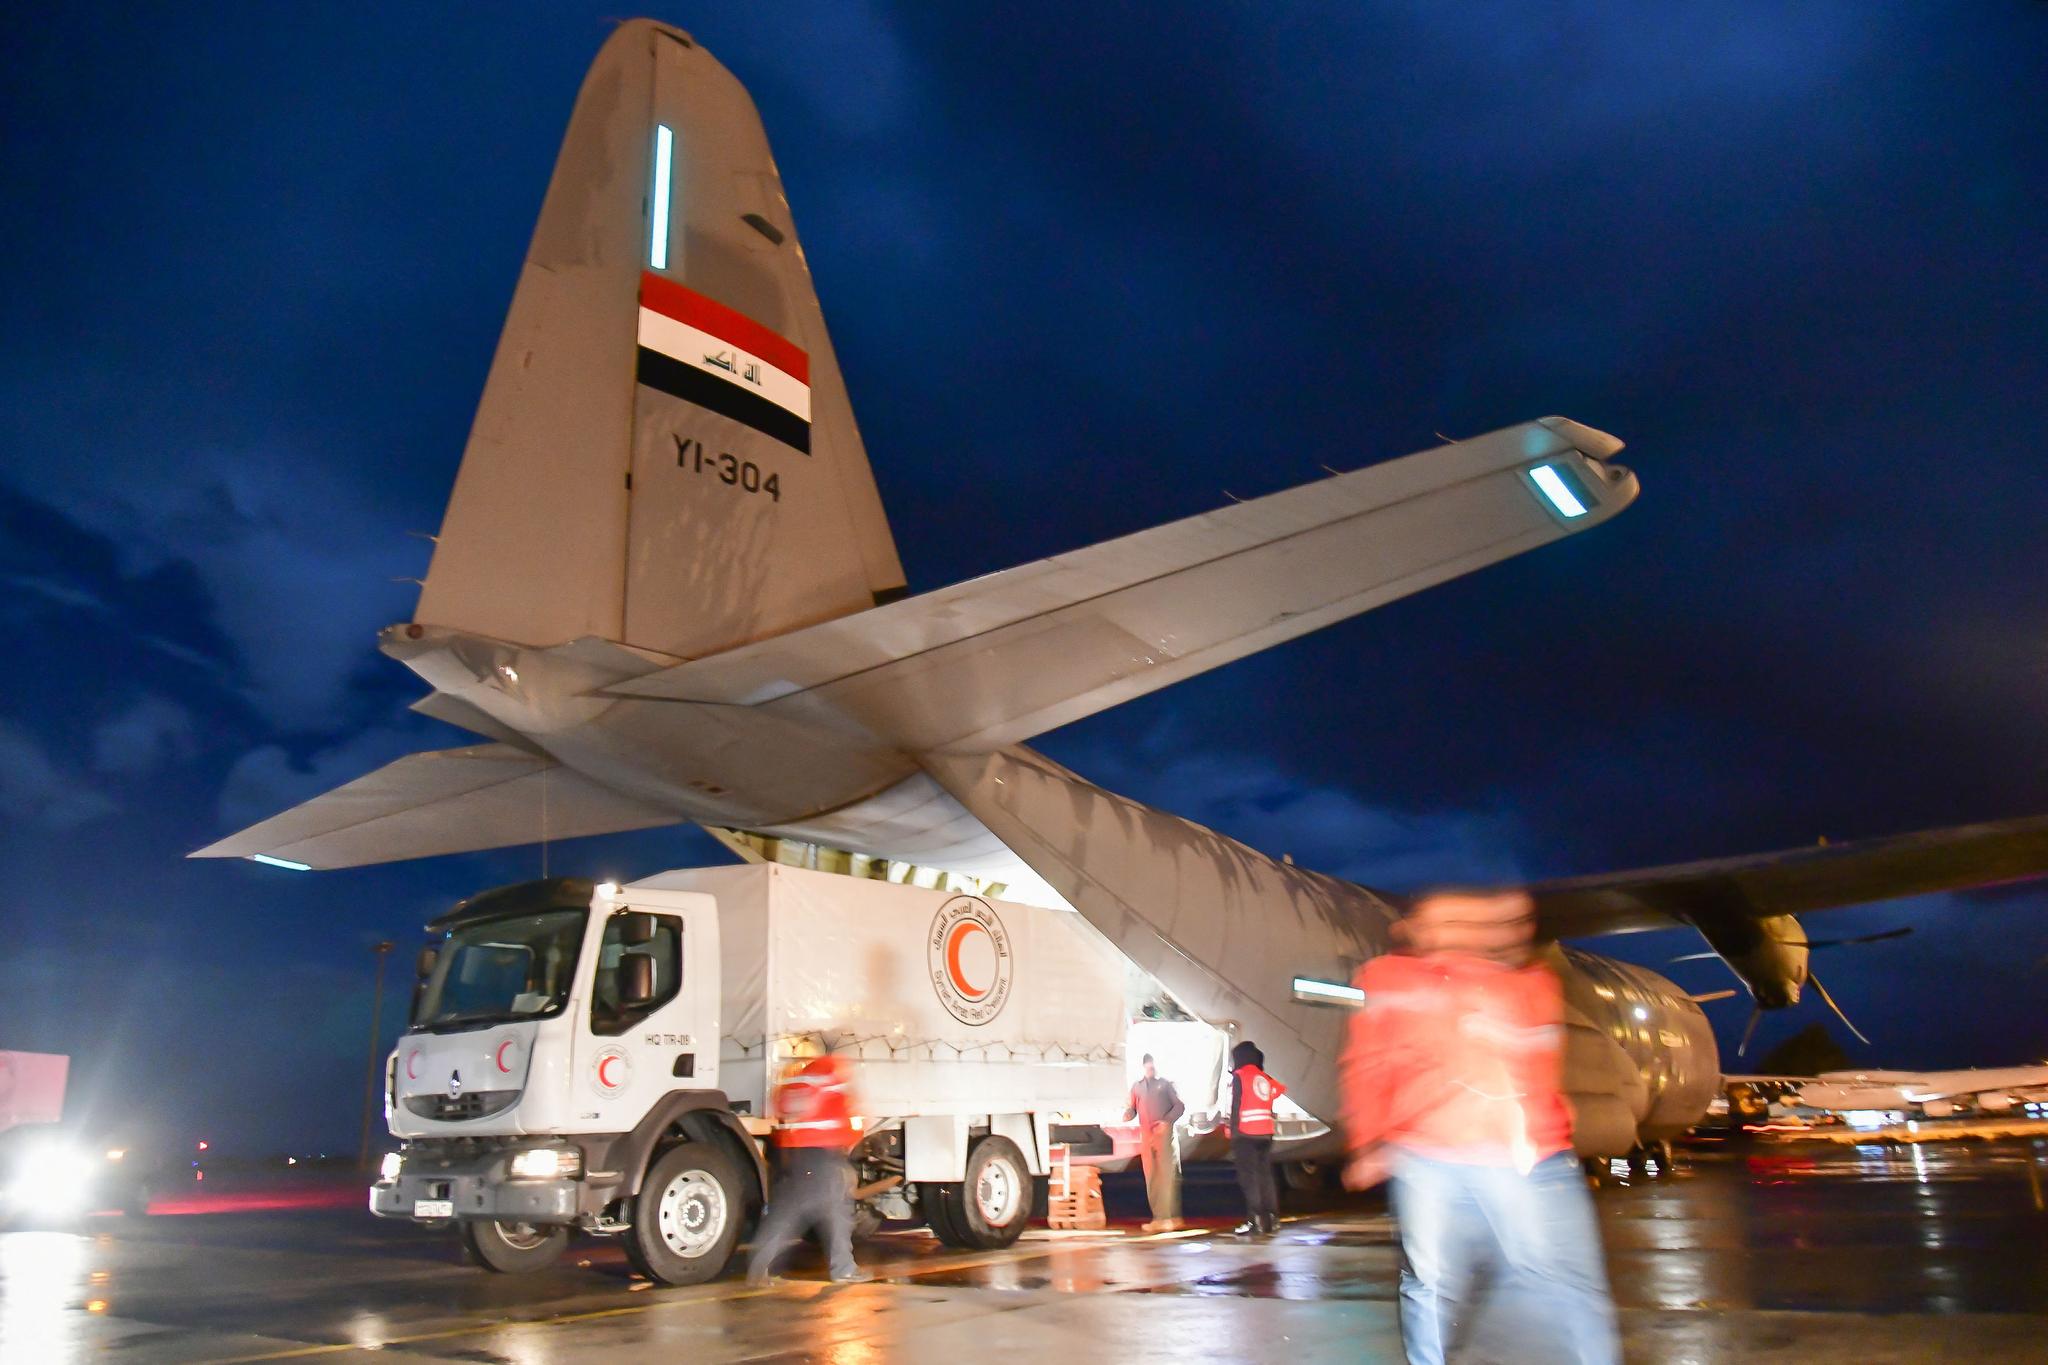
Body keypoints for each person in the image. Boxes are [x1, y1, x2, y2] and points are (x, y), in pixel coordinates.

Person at [1341, 890, 1619, 1365]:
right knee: (1432, 1285)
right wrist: (1369, 1140)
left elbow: (1534, 1064)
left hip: (1524, 1159)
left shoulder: (1532, 985)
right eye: (1445, 920)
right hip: (1431, 1158)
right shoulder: (1390, 979)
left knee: (1560, 1283)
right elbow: (1368, 1064)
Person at [746, 1044, 872, 1286]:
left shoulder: (801, 1075)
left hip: (796, 1152)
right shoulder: (834, 1071)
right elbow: (848, 1108)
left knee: (787, 1211)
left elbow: (779, 1105)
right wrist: (852, 1136)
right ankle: (844, 1269)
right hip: (825, 1154)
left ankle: (758, 1266)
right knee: (837, 1214)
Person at [1124, 1052, 1186, 1232]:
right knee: (1152, 1177)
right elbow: (1132, 1108)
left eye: (1153, 1065)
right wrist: (1129, 1114)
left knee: (1166, 1177)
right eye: (1148, 1066)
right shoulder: (1137, 1087)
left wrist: (1166, 1122)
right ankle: (1160, 1217)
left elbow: (1179, 1106)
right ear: (1143, 1067)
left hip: (1164, 1137)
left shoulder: (1165, 1084)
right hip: (1146, 1137)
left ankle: (1168, 1217)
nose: (1151, 1068)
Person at [1227, 1039, 1283, 1236]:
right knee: (1265, 1177)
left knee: (1249, 1178)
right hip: (1265, 1133)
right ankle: (1272, 1219)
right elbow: (1277, 1090)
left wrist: (1232, 1131)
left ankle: (1255, 1220)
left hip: (1245, 1134)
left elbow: (1236, 1106)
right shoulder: (1263, 1077)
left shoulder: (1240, 1076)